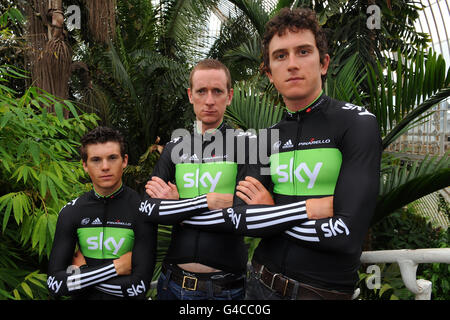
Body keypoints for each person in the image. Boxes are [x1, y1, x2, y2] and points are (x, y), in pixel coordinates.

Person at [181, 7, 382, 300]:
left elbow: (344, 235)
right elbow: (239, 219)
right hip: (259, 286)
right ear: (269, 74)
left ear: (324, 63)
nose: (292, 64)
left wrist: (271, 213)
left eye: (303, 51)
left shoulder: (357, 122)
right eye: (280, 56)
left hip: (320, 293)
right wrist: (307, 210)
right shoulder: (266, 138)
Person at [142, 59, 334, 300]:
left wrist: (178, 208)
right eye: (201, 91)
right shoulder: (174, 147)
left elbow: (243, 216)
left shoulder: (247, 145)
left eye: (217, 91)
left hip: (224, 288)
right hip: (171, 283)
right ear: (190, 95)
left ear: (229, 96)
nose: (209, 100)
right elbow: (149, 209)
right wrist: (206, 202)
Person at [47, 126, 157, 299]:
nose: (105, 167)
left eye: (112, 158)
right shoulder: (71, 211)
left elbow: (139, 286)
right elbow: (55, 284)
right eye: (96, 160)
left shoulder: (142, 210)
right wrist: (116, 267)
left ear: (125, 160)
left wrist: (82, 274)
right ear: (84, 165)